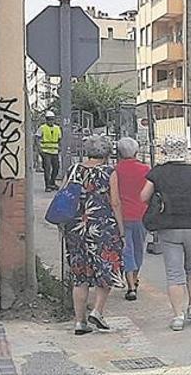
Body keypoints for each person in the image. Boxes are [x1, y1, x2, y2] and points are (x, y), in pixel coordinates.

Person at [140, 136, 191, 332]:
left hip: (168, 227)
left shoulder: (158, 173)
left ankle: (177, 316)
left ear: (166, 150)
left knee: (174, 273)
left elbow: (143, 196)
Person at [62, 135, 125, 335]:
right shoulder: (109, 172)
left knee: (80, 274)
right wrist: (121, 228)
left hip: (76, 228)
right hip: (102, 227)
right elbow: (115, 202)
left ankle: (79, 322)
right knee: (106, 268)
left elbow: (64, 194)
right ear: (107, 153)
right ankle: (97, 311)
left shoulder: (73, 170)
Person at [111, 137, 150, 301]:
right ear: (136, 151)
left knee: (126, 249)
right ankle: (135, 278)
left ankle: (131, 286)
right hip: (142, 214)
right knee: (138, 249)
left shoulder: (115, 170)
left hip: (122, 215)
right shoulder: (146, 169)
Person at [37, 111, 62, 192]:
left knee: (56, 168)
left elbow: (59, 139)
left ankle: (52, 182)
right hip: (46, 151)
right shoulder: (42, 128)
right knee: (47, 169)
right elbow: (37, 138)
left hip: (55, 151)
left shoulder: (57, 128)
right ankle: (48, 185)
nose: (50, 121)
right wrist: (40, 150)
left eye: (51, 119)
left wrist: (59, 147)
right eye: (48, 119)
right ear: (46, 120)